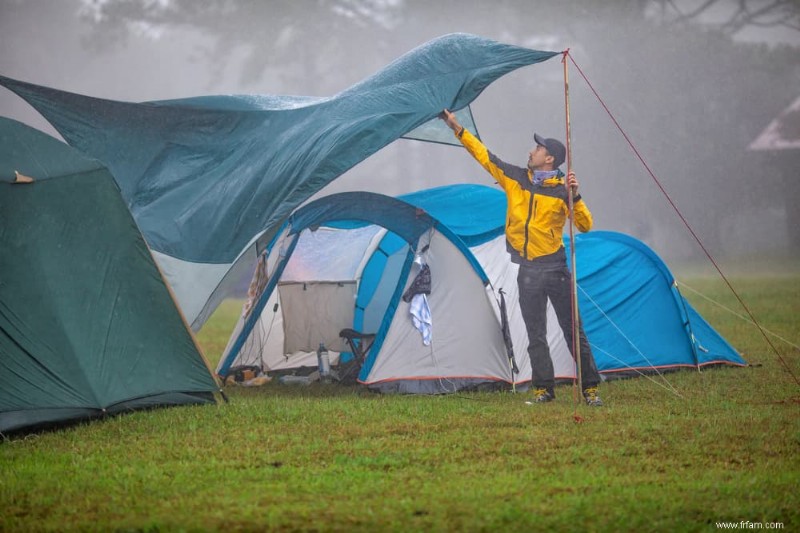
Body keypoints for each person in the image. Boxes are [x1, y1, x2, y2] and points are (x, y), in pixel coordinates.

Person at [440, 109, 603, 406]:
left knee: (572, 331)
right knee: (535, 334)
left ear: (550, 158)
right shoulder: (516, 178)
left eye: (538, 148)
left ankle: (590, 389)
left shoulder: (563, 190)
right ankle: (544, 389)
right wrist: (457, 128)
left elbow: (586, 225)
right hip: (527, 270)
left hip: (555, 268)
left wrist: (575, 197)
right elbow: (484, 156)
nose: (532, 151)